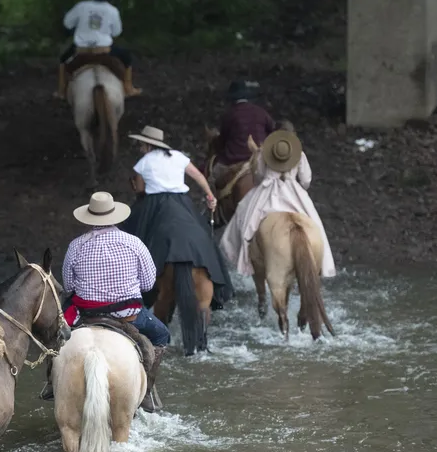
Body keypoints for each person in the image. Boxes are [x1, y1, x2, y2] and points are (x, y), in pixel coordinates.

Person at [39, 191, 169, 413]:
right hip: (130, 316)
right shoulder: (134, 243)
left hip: (87, 316)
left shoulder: (76, 245)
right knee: (161, 335)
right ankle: (146, 391)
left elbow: (68, 286)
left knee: (56, 339)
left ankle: (52, 383)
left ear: (90, 217)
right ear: (116, 216)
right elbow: (148, 284)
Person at [121, 126, 234, 308]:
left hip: (154, 203)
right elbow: (198, 176)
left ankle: (128, 285)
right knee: (204, 236)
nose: (141, 148)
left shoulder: (143, 162)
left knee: (131, 232)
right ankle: (218, 281)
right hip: (181, 202)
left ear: (148, 145)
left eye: (142, 144)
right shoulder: (178, 156)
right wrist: (210, 196)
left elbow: (140, 189)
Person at [220, 122, 336, 277]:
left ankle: (245, 257)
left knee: (244, 213)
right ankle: (320, 264)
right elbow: (306, 180)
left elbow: (259, 176)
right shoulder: (299, 155)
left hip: (267, 193)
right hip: (293, 192)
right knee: (315, 224)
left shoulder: (263, 153)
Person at [55, 0, 141, 99]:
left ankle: (61, 91)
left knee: (63, 61)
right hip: (104, 51)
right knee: (127, 58)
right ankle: (128, 88)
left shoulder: (81, 6)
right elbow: (116, 32)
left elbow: (67, 23)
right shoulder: (112, 10)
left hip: (81, 50)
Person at [209, 79, 276, 185]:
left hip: (235, 158)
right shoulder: (261, 112)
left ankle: (213, 200)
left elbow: (223, 140)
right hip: (260, 158)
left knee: (214, 176)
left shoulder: (229, 115)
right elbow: (272, 132)